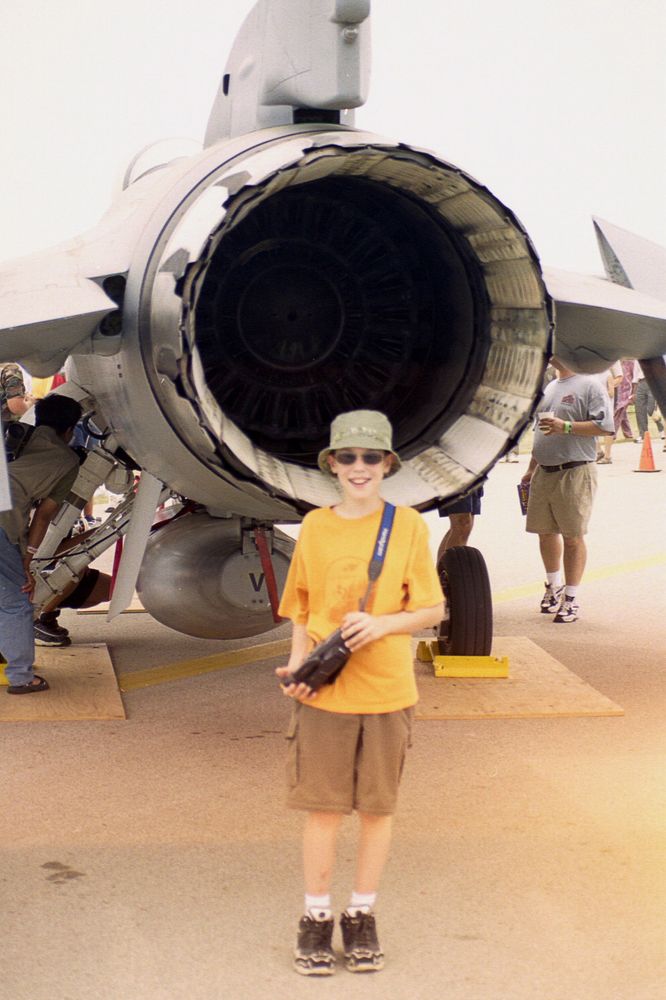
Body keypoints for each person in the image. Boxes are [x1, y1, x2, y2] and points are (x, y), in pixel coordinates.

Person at [275, 411, 444, 976]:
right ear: (331, 464)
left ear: (388, 464)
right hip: (327, 692)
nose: (359, 467)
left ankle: (361, 914)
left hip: (387, 691)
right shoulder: (316, 526)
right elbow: (300, 605)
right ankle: (316, 918)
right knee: (323, 811)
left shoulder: (410, 527)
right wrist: (298, 661)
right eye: (347, 457)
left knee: (376, 810)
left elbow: (433, 608)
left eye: (371, 457)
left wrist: (386, 626)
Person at [519, 357, 613, 624]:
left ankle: (571, 599)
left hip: (575, 471)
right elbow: (541, 432)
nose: (550, 352)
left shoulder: (589, 385)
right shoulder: (550, 387)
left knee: (573, 537)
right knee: (545, 532)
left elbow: (606, 426)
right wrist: (531, 467)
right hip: (544, 472)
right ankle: (553, 586)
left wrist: (567, 426)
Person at [0, 394, 82, 693]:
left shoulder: (17, 433)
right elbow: (45, 515)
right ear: (71, 429)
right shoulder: (67, 461)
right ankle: (22, 678)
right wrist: (27, 557)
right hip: (2, 521)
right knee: (15, 604)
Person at [436, 485, 483, 567]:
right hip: (454, 477)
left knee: (466, 525)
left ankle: (440, 574)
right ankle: (451, 573)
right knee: (462, 522)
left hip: (472, 476)